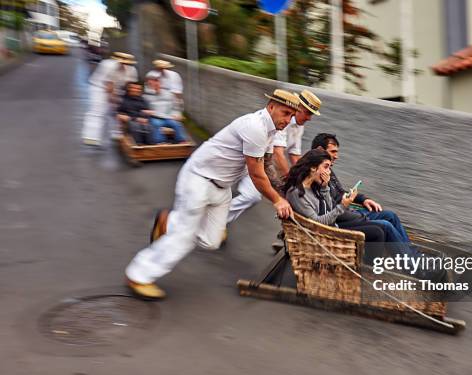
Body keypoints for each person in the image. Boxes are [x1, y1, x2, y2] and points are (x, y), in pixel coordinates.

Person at [125, 89, 300, 300]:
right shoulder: (255, 127)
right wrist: (277, 200)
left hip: (221, 186)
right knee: (184, 236)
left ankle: (168, 221)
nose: (288, 119)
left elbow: (268, 165)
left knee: (211, 241)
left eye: (292, 115)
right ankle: (139, 275)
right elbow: (256, 174)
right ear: (271, 106)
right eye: (285, 112)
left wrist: (287, 191)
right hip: (198, 179)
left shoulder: (272, 131)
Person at [284, 149, 446, 281]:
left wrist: (326, 189)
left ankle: (412, 261)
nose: (329, 171)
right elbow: (318, 224)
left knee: (384, 224)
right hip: (327, 233)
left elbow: (327, 207)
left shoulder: (316, 185)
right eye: (326, 167)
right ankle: (414, 271)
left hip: (334, 224)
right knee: (383, 227)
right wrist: (343, 206)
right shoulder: (297, 194)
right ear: (313, 168)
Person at [226, 90, 322, 224]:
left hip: (259, 164)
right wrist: (290, 180)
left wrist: (304, 176)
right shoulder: (280, 123)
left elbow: (295, 155)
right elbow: (278, 154)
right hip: (253, 163)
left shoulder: (298, 127)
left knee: (252, 197)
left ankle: (220, 221)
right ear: (300, 108)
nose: (309, 118)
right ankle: (219, 221)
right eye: (308, 113)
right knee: (250, 196)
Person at [310, 133, 413, 246]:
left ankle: (411, 254)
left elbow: (340, 192)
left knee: (391, 216)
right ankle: (407, 261)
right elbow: (330, 210)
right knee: (385, 225)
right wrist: (361, 217)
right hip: (341, 221)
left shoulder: (328, 170)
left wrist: (363, 199)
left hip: (349, 213)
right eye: (333, 151)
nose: (336, 156)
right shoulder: (317, 175)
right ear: (320, 150)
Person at [81, 52, 138, 146]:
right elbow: (109, 87)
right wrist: (113, 100)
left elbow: (130, 86)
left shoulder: (132, 70)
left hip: (118, 88)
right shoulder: (108, 65)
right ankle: (91, 137)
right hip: (99, 87)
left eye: (126, 63)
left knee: (116, 112)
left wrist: (125, 102)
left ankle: (115, 133)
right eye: (121, 62)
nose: (124, 64)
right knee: (97, 111)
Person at [143, 71, 187, 144]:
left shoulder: (168, 94)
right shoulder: (146, 96)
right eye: (151, 82)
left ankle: (181, 140)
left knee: (176, 124)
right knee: (156, 124)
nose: (154, 84)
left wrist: (177, 114)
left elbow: (175, 106)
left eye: (156, 81)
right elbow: (145, 109)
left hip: (168, 117)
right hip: (154, 118)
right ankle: (160, 142)